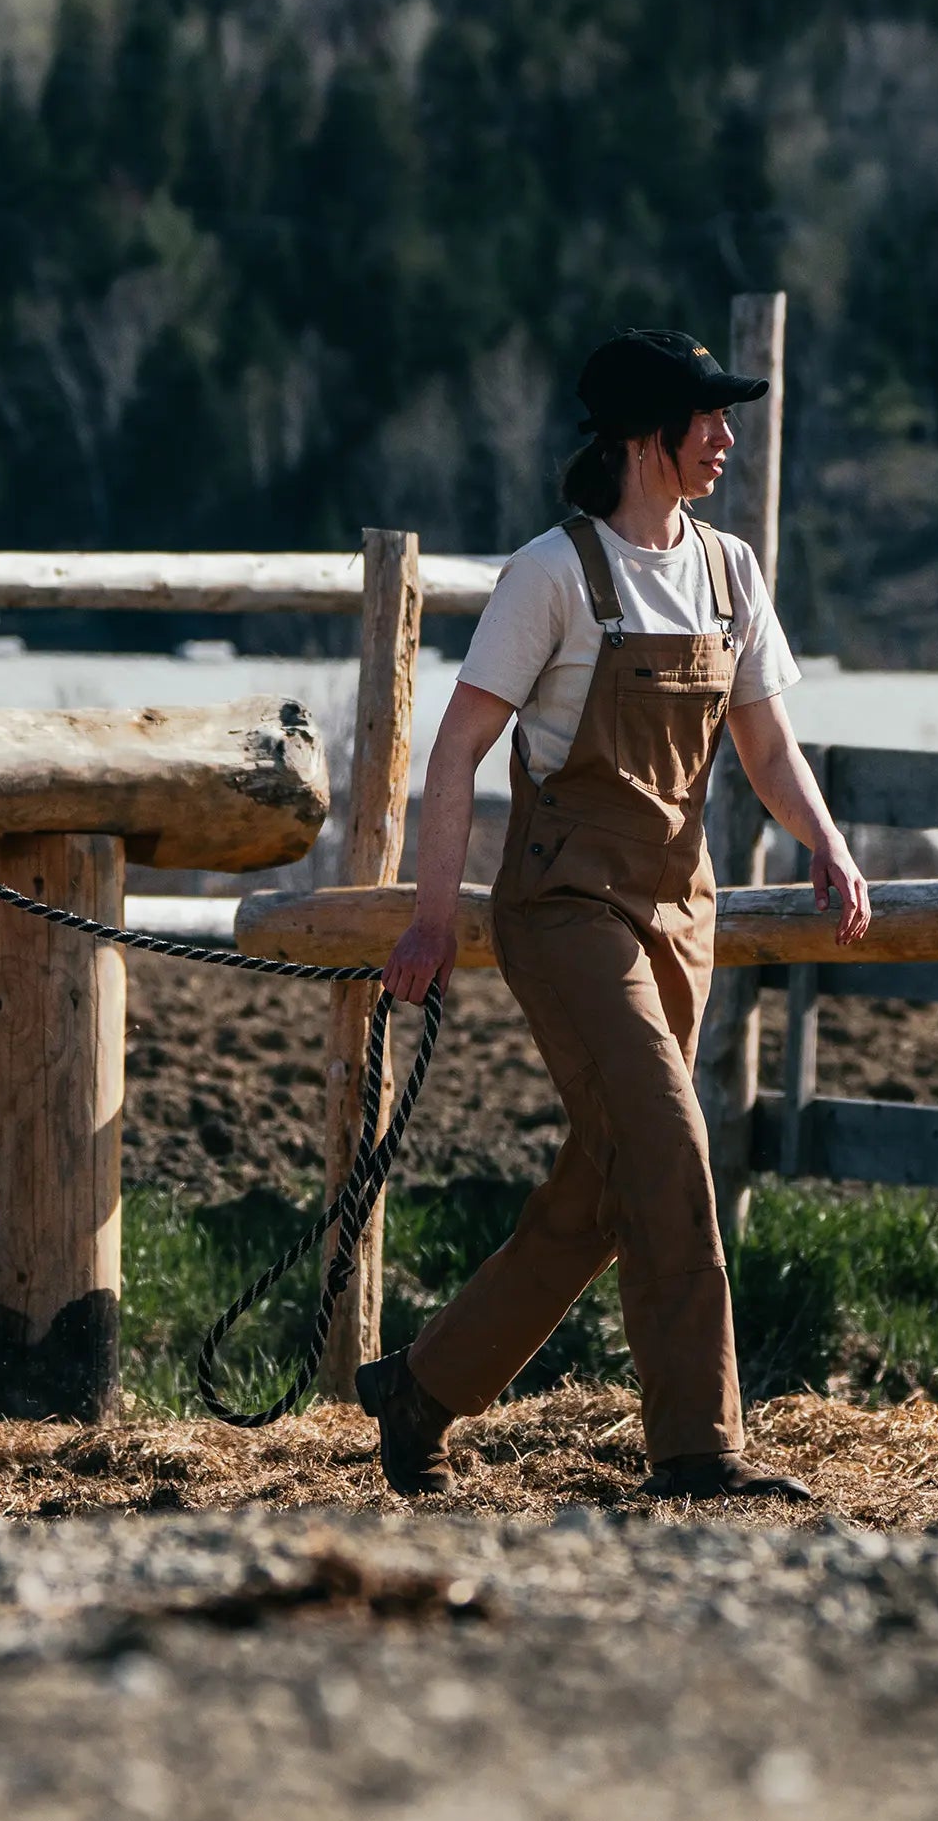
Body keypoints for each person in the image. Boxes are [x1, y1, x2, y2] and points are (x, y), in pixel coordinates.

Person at [357, 327, 871, 1501]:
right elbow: (456, 752)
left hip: (676, 914)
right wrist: (436, 919)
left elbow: (765, 739)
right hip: (564, 908)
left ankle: (422, 1387)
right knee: (672, 1146)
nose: (727, 441)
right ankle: (698, 1445)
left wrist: (828, 843)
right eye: (709, 422)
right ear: (648, 436)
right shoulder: (551, 574)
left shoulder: (731, 569)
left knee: (602, 1186)